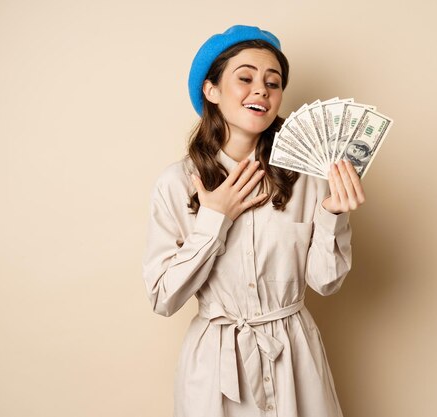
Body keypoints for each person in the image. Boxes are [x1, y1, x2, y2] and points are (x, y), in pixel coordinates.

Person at [142, 24, 365, 417]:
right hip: (216, 366)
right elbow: (163, 297)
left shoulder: (307, 177)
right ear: (210, 90)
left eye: (272, 82)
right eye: (245, 78)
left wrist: (333, 215)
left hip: (295, 358)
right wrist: (214, 219)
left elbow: (325, 283)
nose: (261, 90)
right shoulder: (176, 183)